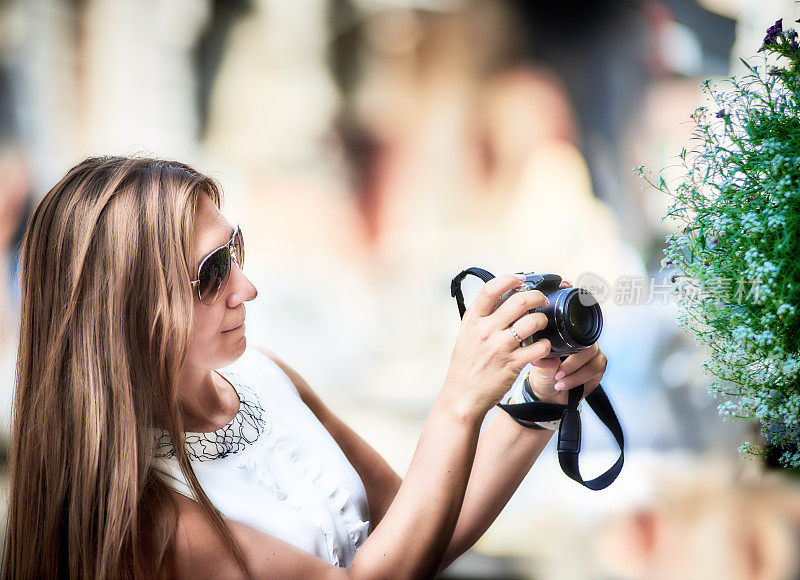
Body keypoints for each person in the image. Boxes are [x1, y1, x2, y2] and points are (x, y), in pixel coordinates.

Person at [4, 156, 608, 579]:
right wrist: (458, 399)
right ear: (127, 308)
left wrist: (541, 394)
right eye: (213, 272)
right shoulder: (139, 518)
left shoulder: (268, 375)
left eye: (236, 250)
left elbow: (419, 529)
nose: (248, 287)